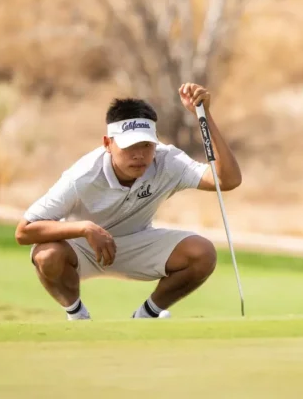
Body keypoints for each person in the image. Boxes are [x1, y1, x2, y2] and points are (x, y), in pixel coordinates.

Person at [14, 83, 242, 320]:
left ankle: (146, 316)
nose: (139, 155)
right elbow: (24, 231)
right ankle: (78, 316)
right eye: (129, 146)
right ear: (107, 144)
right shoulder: (82, 175)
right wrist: (85, 228)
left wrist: (204, 116)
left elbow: (227, 180)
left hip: (137, 242)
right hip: (81, 247)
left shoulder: (168, 162)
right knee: (46, 255)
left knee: (202, 253)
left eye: (146, 145)